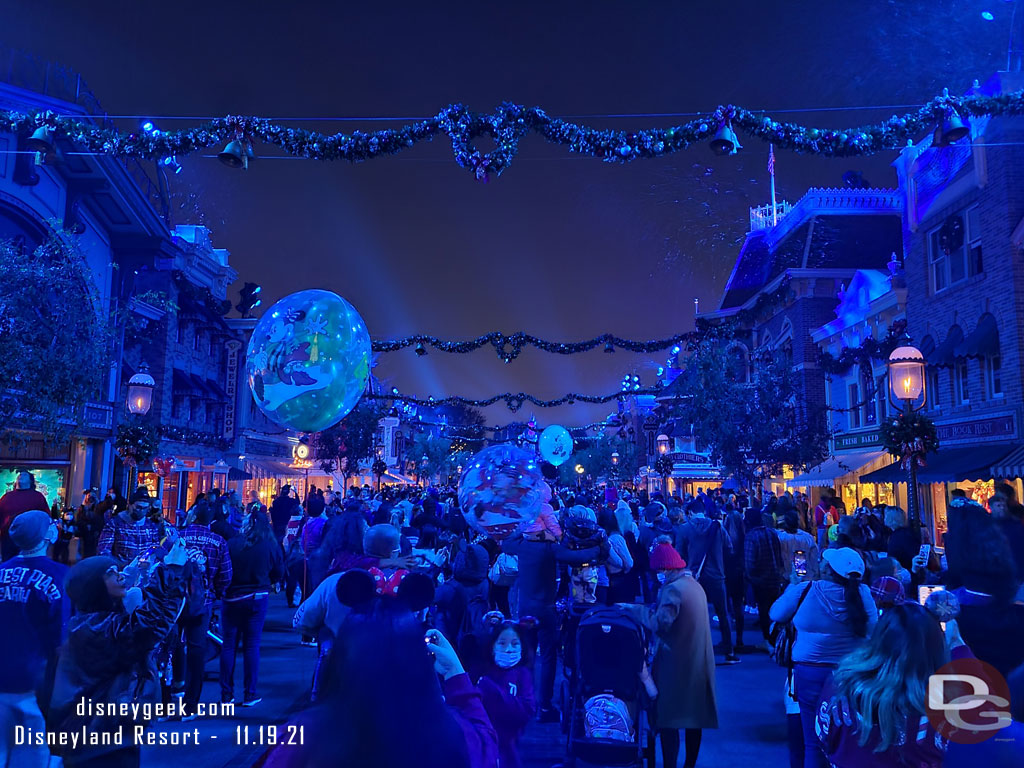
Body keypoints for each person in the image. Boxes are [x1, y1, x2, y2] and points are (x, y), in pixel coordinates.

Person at [261, 601, 498, 768]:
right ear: (418, 661)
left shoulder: (304, 733)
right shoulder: (451, 731)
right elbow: (486, 746)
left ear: (341, 660)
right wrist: (457, 676)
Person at [49, 540, 189, 767]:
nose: (120, 576)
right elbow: (151, 624)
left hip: (102, 736)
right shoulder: (98, 629)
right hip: (100, 742)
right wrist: (171, 571)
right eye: (112, 573)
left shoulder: (90, 622)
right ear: (95, 587)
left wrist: (131, 573)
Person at [770, 547, 876, 768]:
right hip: (850, 673)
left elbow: (776, 614)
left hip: (809, 671)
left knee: (813, 739)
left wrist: (792, 584)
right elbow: (873, 631)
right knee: (850, 734)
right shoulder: (863, 595)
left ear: (828, 570)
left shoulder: (806, 589)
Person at [816, 604, 958, 767]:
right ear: (938, 649)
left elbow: (825, 742)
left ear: (878, 639)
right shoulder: (950, 708)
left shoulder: (840, 685)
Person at [501, 524, 602, 722]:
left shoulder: (522, 545)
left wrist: (524, 528)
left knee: (527, 657)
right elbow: (579, 558)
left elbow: (506, 544)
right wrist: (600, 547)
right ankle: (544, 707)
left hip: (525, 609)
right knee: (548, 658)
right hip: (545, 608)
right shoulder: (549, 549)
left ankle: (525, 700)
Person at [0, 510, 68, 768]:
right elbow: (61, 635)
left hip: (2, 676)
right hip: (36, 682)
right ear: (45, 535)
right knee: (35, 755)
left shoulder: (2, 571)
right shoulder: (60, 576)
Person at [647, 541, 717, 768]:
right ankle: (689, 765)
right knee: (694, 719)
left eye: (659, 570)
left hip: (677, 666)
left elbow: (660, 624)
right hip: (698, 663)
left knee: (670, 720)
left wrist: (635, 611)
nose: (658, 575)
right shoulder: (694, 585)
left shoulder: (673, 589)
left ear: (666, 568)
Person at [221, 508, 284, 706]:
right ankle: (249, 693)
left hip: (232, 597)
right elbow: (279, 572)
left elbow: (223, 569)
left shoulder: (232, 544)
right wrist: (269, 580)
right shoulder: (269, 545)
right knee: (251, 645)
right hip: (257, 596)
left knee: (229, 645)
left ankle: (226, 695)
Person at [177, 501, 232, 712]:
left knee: (173, 646)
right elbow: (226, 575)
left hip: (175, 600)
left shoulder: (179, 536)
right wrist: (216, 592)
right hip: (203, 601)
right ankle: (191, 703)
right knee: (197, 648)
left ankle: (171, 695)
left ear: (193, 516)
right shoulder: (218, 541)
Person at [675, 505, 738, 663]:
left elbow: (679, 555)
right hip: (717, 575)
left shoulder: (684, 529)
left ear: (690, 513)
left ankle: (694, 651)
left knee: (692, 614)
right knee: (722, 613)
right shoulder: (717, 526)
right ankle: (729, 651)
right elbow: (729, 548)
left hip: (693, 578)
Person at [475, 619, 537, 768]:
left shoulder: (523, 675)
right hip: (482, 746)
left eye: (515, 644)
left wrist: (493, 692)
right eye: (502, 643)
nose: (508, 649)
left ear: (522, 648)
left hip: (511, 748)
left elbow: (526, 711)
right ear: (492, 646)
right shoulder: (482, 672)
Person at [744, 508, 785, 653]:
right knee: (775, 610)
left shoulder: (751, 536)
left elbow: (750, 562)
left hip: (760, 579)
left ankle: (767, 640)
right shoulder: (771, 532)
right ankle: (776, 639)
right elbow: (779, 555)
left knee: (763, 611)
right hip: (774, 576)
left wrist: (750, 577)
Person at [97, 487, 164, 564]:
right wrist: (116, 566)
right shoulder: (114, 524)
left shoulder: (151, 526)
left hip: (143, 571)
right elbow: (103, 551)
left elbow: (155, 550)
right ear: (130, 505)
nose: (141, 511)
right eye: (138, 507)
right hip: (120, 570)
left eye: (145, 508)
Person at [0, 471, 50, 561]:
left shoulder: (37, 497)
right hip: (8, 538)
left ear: (30, 481)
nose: (20, 476)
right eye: (19, 475)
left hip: (29, 539)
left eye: (24, 475)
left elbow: (45, 516)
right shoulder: (7, 497)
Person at [776, 511, 819, 582]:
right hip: (807, 578)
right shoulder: (807, 538)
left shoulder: (780, 538)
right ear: (798, 521)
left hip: (787, 578)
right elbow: (814, 559)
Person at [75, 489, 104, 559]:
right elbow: (78, 519)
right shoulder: (82, 508)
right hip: (84, 534)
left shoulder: (98, 509)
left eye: (92, 496)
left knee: (92, 552)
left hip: (94, 534)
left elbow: (100, 521)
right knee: (84, 551)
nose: (90, 498)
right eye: (89, 496)